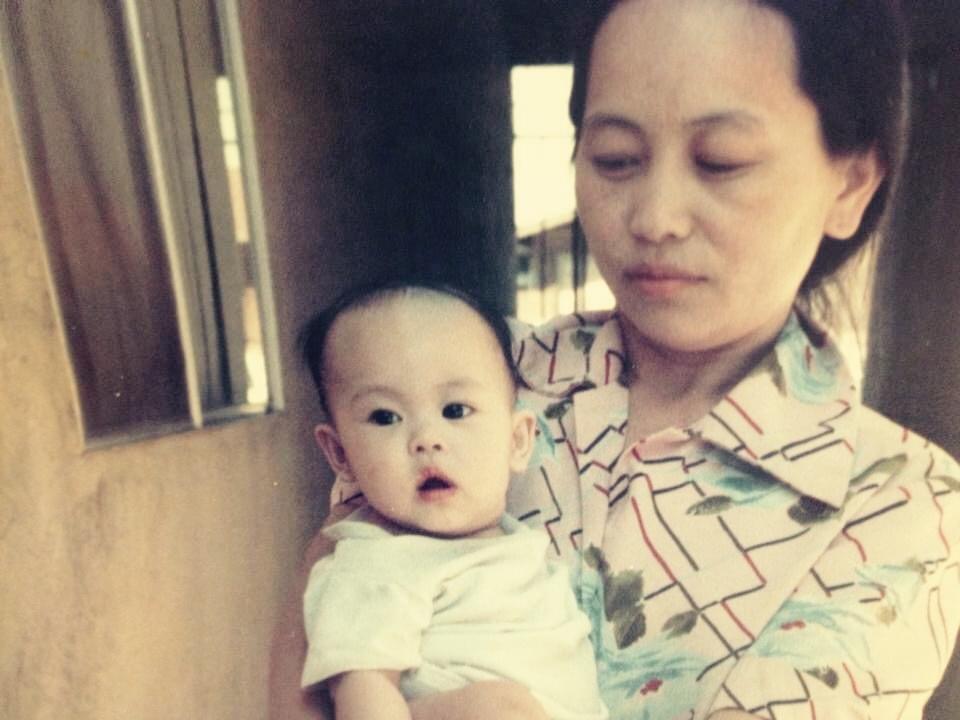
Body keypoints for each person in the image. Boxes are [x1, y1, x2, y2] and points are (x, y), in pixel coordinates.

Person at [269, 1, 960, 718]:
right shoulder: (471, 376)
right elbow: (328, 624)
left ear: (849, 184)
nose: (655, 216)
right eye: (616, 159)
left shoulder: (901, 504)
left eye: (721, 161)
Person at [295, 281, 608, 720]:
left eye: (455, 410)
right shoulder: (376, 561)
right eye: (385, 416)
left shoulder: (517, 543)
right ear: (341, 454)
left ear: (518, 440)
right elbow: (363, 696)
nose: (426, 439)